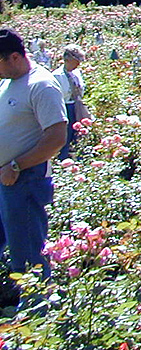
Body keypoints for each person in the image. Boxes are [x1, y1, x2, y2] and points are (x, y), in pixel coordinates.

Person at [0, 29, 67, 279]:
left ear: (15, 57)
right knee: (11, 240)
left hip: (25, 177)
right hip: (7, 177)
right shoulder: (9, 81)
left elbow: (56, 138)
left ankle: (36, 306)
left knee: (28, 250)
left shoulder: (41, 85)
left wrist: (16, 165)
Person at [52, 45, 89, 161]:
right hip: (64, 107)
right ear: (67, 60)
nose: (78, 64)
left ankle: (77, 158)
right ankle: (62, 159)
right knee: (65, 135)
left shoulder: (76, 73)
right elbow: (57, 96)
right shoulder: (57, 75)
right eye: (76, 61)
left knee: (78, 134)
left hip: (76, 106)